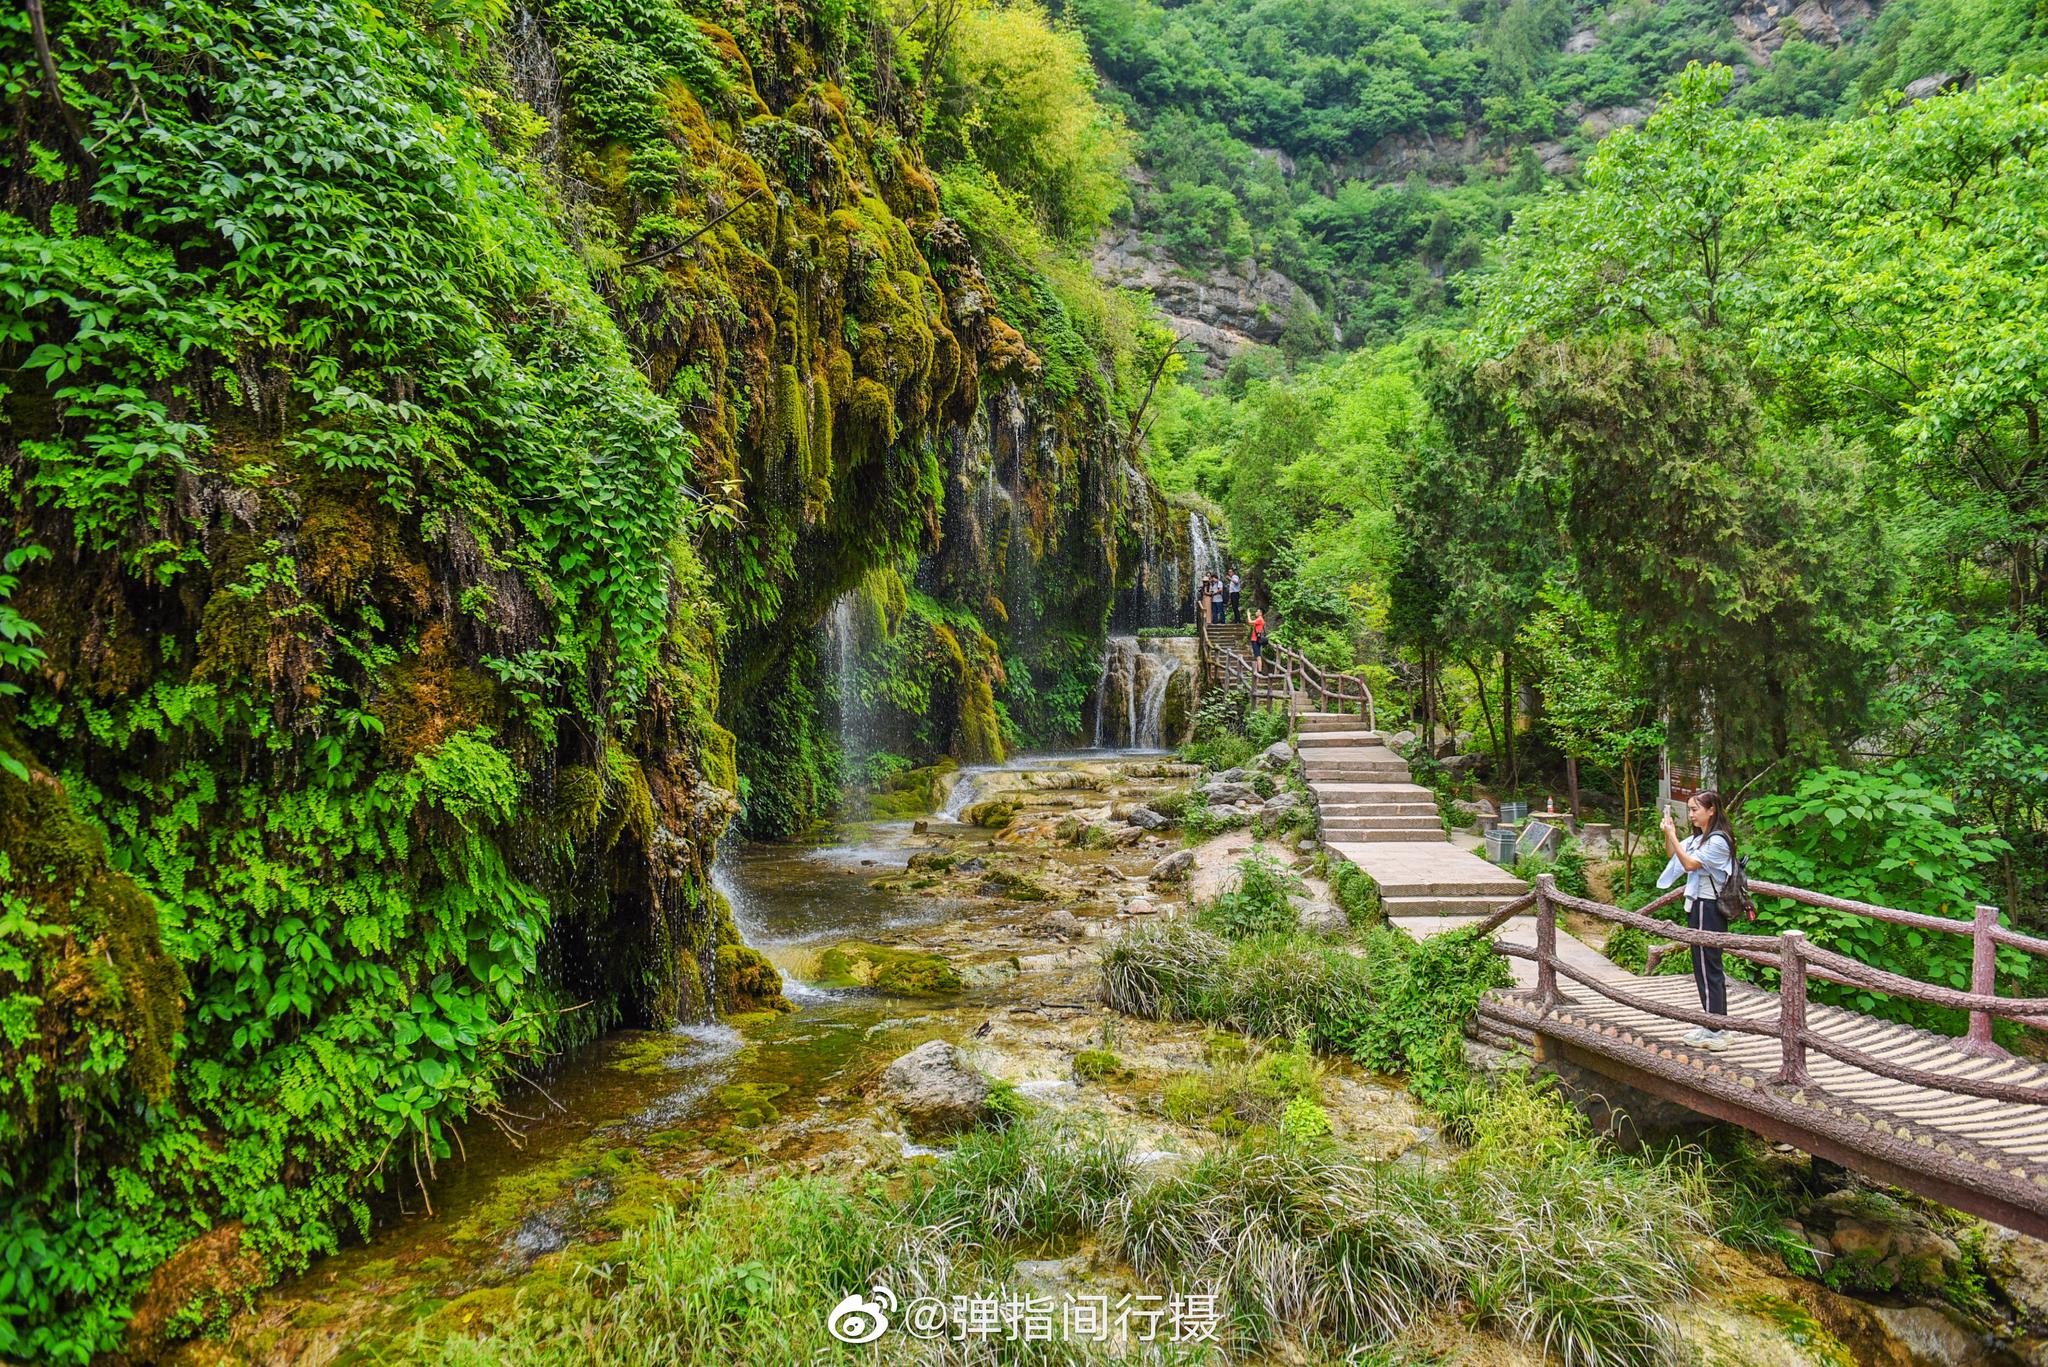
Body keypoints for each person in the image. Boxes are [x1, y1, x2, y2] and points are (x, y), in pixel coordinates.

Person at [1657, 790, 1737, 1051]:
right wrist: (1669, 834)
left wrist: (1672, 836)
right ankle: (1711, 1023)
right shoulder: (1699, 838)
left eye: (1695, 809)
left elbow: (1690, 864)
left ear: (1711, 809)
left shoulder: (1718, 841)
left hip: (1709, 907)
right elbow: (1675, 857)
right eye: (1689, 809)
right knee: (1702, 967)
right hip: (1698, 906)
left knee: (1708, 967)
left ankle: (1717, 1028)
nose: (1691, 814)